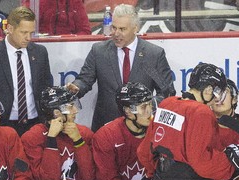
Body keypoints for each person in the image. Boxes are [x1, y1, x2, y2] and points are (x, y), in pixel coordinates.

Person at [137, 63, 239, 180]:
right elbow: (202, 162)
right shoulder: (201, 112)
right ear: (208, 89)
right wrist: (232, 159)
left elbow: (144, 151)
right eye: (216, 93)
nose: (215, 99)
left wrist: (155, 175)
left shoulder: (167, 103)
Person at [67, 4, 176, 132]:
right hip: (106, 128)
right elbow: (85, 79)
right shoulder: (99, 52)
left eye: (122, 29)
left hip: (141, 130)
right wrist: (76, 88)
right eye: (114, 27)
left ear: (135, 28)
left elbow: (166, 91)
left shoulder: (153, 55)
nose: (116, 33)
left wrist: (146, 107)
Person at [0, 6, 52, 136]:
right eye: (23, 32)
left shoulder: (40, 52)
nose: (28, 38)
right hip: (3, 124)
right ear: (9, 28)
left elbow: (46, 87)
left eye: (31, 33)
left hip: (36, 124)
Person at [21, 86, 95, 180]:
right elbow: (48, 178)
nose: (75, 111)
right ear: (57, 113)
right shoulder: (33, 137)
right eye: (70, 107)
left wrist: (78, 141)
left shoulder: (84, 133)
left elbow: (88, 178)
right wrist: (51, 139)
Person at [92, 82, 154, 180]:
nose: (149, 111)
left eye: (150, 104)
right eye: (144, 107)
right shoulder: (107, 135)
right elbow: (107, 179)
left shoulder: (158, 131)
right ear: (128, 111)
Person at [22, 0, 91, 35]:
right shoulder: (35, 2)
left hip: (71, 49)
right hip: (41, 46)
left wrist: (69, 39)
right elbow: (25, 26)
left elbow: (85, 30)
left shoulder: (75, 1)